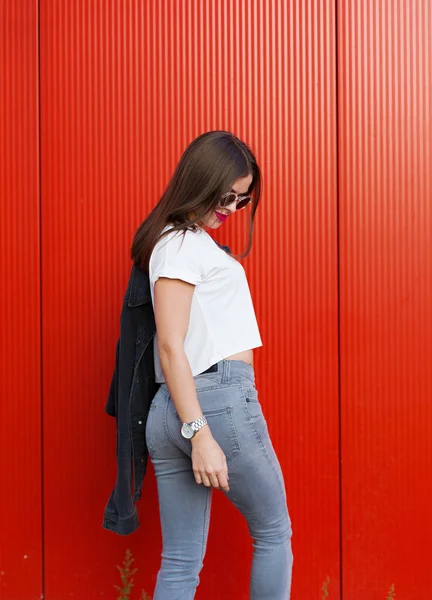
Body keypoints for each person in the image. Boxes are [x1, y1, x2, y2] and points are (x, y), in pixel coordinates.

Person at [131, 131, 293, 600]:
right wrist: (199, 434)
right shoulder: (180, 244)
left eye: (242, 200)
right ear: (203, 180)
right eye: (228, 195)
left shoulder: (184, 243)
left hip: (175, 408)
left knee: (180, 560)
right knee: (274, 531)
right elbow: (169, 346)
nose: (233, 207)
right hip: (214, 402)